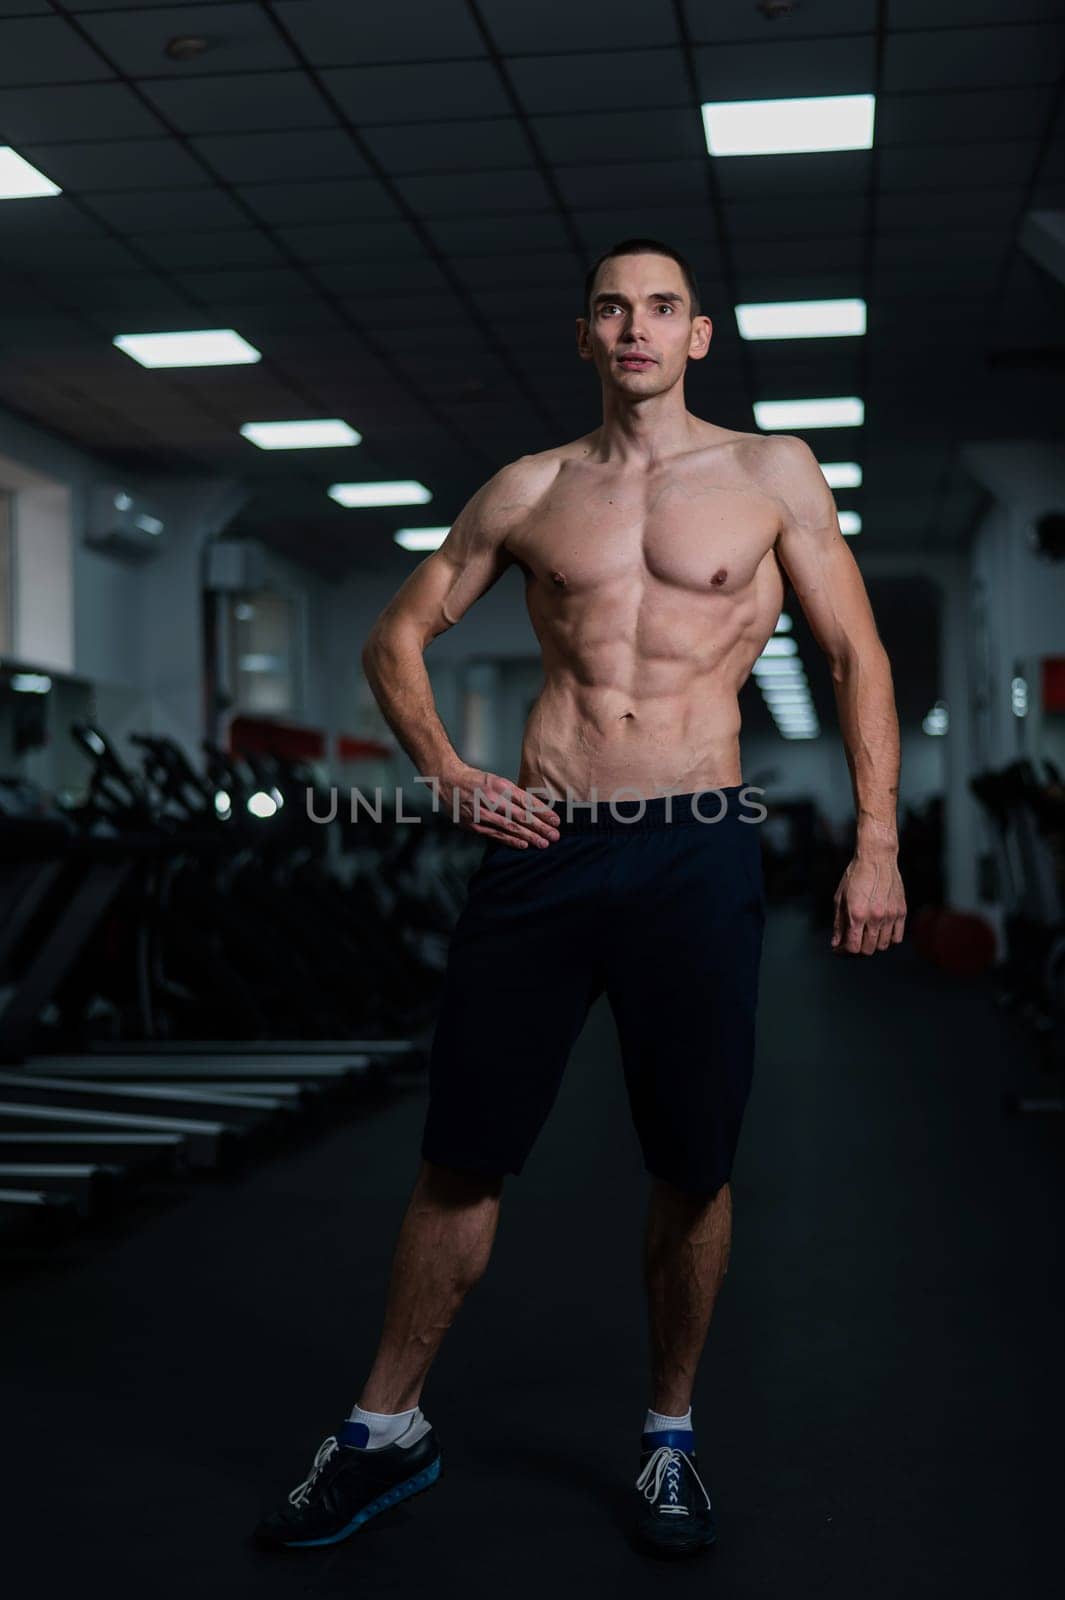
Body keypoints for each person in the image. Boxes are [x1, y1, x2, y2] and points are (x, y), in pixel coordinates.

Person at [253, 237, 907, 1560]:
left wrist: (877, 843)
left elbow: (854, 655)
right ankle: (384, 1432)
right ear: (585, 335)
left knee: (691, 1158)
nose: (636, 329)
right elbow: (394, 633)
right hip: (543, 844)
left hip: (695, 841)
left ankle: (668, 1434)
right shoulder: (528, 488)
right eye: (613, 308)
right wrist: (442, 770)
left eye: (660, 308)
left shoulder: (769, 474)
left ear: (697, 335)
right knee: (464, 1149)